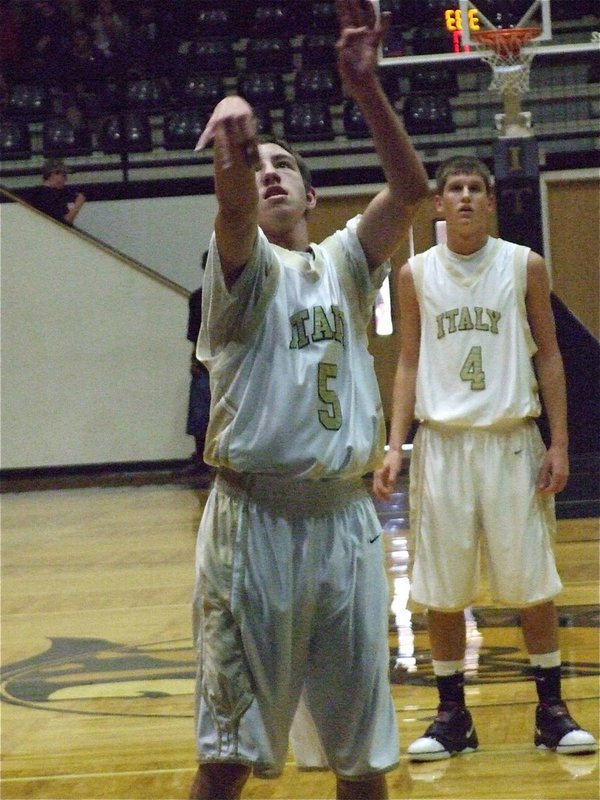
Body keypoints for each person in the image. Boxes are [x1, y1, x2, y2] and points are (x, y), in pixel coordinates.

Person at [189, 1, 429, 798]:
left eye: (284, 165)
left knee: (364, 756)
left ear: (312, 194)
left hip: (345, 524)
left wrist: (366, 89)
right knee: (228, 756)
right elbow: (229, 207)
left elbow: (410, 188)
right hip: (253, 524)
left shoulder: (343, 263)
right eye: (260, 167)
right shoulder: (241, 266)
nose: (269, 175)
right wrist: (234, 143)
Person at [373, 155, 598, 761]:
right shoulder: (415, 274)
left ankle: (551, 711)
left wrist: (559, 442)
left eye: (476, 188)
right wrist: (395, 446)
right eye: (455, 189)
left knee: (533, 583)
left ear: (491, 202)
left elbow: (549, 358)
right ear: (439, 204)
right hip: (443, 445)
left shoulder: (524, 265)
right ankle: (452, 717)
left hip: (510, 440)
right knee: (441, 588)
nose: (466, 197)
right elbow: (409, 363)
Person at [185, 251, 212, 483]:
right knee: (199, 415)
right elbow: (194, 335)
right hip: (204, 363)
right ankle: (201, 459)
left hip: (229, 363)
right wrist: (193, 360)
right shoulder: (197, 298)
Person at [29, 159, 86, 226]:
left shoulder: (42, 193)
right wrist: (78, 205)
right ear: (53, 174)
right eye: (64, 175)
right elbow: (63, 224)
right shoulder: (47, 195)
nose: (66, 179)